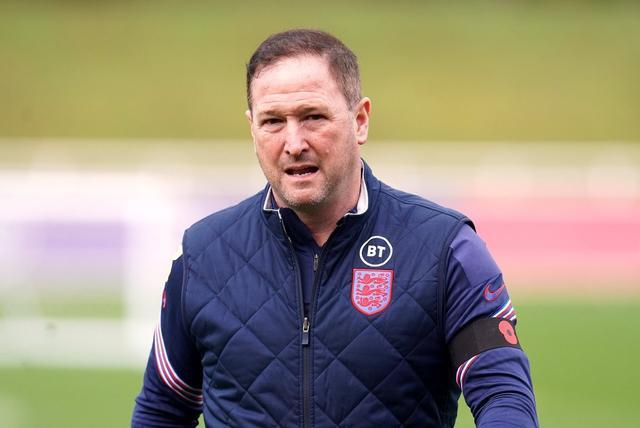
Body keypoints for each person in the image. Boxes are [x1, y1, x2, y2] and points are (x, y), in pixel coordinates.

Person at [132, 29, 538, 427]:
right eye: (273, 121)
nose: (294, 143)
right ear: (252, 128)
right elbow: (162, 410)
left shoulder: (445, 249)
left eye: (313, 117)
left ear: (359, 121)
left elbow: (503, 395)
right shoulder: (204, 255)